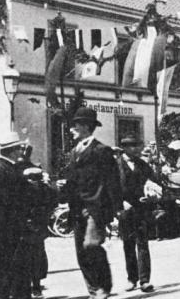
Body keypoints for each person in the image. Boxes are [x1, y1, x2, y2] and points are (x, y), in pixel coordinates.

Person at [57, 107, 122, 299]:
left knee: (91, 245)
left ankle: (104, 285)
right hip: (77, 208)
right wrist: (63, 187)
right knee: (80, 252)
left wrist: (118, 208)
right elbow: (72, 180)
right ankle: (93, 290)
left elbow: (113, 181)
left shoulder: (101, 151)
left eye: (75, 125)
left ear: (85, 127)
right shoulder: (73, 153)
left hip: (96, 207)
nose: (71, 129)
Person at [0, 132, 31, 299]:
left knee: (9, 270)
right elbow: (1, 205)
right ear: (13, 150)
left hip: (7, 230)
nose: (22, 151)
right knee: (3, 271)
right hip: (6, 231)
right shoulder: (2, 171)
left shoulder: (5, 169)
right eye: (20, 148)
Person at [117, 137, 160, 292]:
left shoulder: (143, 164)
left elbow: (154, 182)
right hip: (124, 209)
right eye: (133, 146)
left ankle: (144, 280)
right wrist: (119, 204)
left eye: (137, 146)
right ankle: (131, 278)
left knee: (143, 243)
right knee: (128, 245)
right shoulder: (115, 165)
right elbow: (111, 188)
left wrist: (151, 193)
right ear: (125, 148)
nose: (137, 149)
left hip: (141, 208)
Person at [13, 166, 57, 299]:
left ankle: (29, 288)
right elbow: (52, 204)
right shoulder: (47, 189)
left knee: (26, 258)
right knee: (38, 257)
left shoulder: (27, 190)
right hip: (40, 229)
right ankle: (37, 287)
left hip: (27, 229)